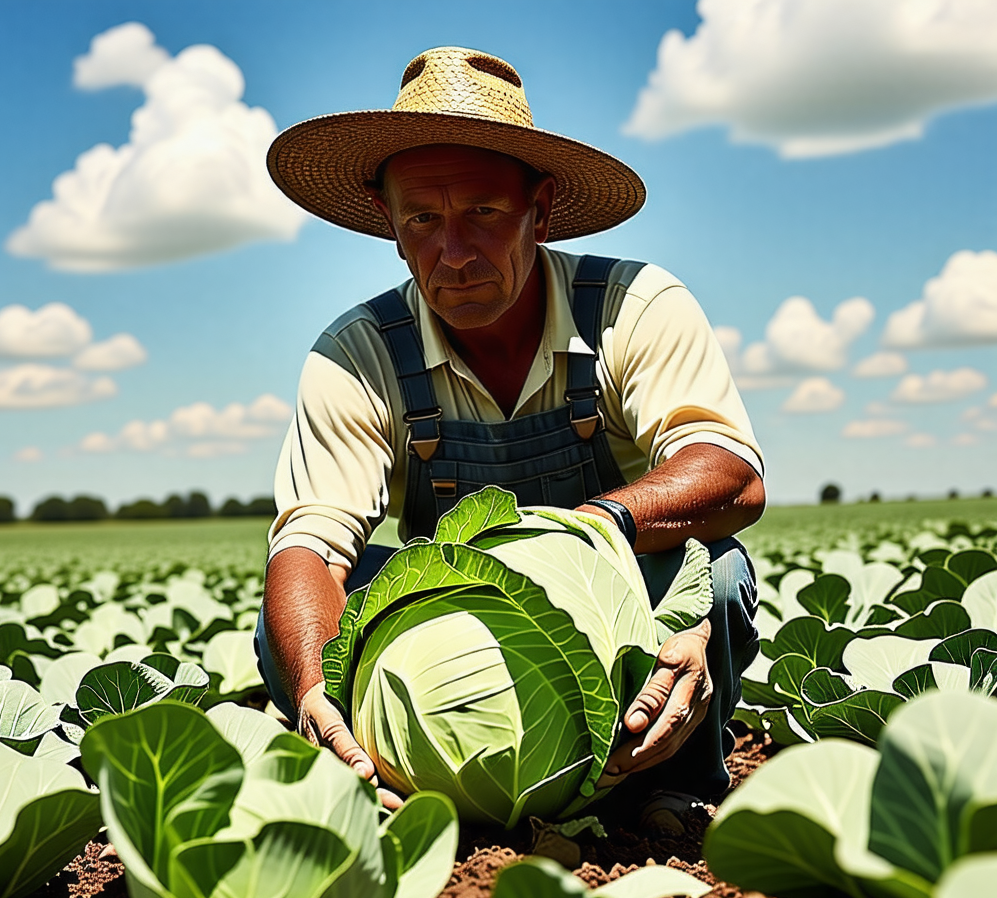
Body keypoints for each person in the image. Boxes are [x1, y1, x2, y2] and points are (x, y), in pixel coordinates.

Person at [257, 47, 764, 825]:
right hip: (451, 624)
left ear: (543, 209)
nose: (454, 254)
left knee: (717, 577)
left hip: (617, 600)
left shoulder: (632, 306)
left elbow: (730, 471)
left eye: (485, 214)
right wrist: (313, 692)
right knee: (291, 624)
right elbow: (311, 547)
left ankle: (672, 785)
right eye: (423, 219)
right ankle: (393, 780)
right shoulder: (357, 353)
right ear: (391, 226)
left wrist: (585, 538)